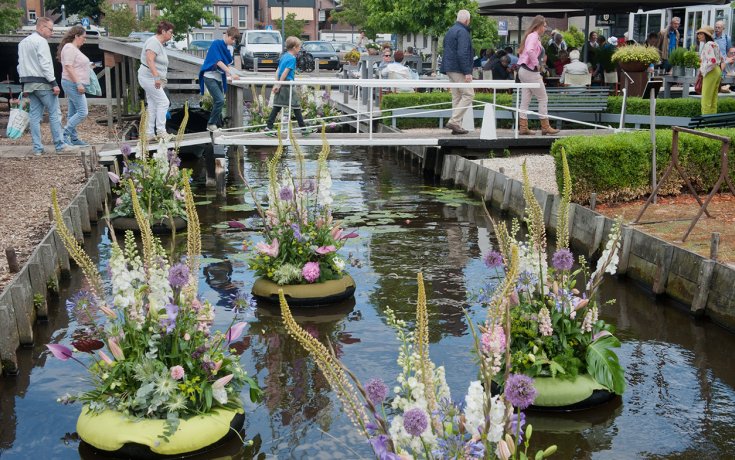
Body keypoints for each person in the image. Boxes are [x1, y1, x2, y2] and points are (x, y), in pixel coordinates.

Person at [18, 17, 75, 154]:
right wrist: (54, 83)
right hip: (43, 83)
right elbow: (45, 64)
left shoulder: (22, 43)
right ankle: (60, 145)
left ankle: (37, 148)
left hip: (28, 83)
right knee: (55, 113)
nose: (52, 33)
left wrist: (24, 82)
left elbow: (20, 65)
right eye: (50, 29)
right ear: (42, 27)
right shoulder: (41, 42)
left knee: (34, 116)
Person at [517, 15, 558, 136]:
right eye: (544, 26)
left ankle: (523, 127)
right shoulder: (534, 37)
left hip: (523, 70)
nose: (545, 28)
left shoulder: (532, 36)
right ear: (539, 26)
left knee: (525, 99)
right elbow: (530, 51)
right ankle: (545, 127)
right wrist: (537, 65)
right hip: (530, 71)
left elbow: (527, 51)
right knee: (543, 98)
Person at [265, 36, 311, 137]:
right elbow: (285, 73)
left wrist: (276, 83)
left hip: (281, 82)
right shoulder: (292, 58)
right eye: (299, 47)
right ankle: (303, 129)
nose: (299, 50)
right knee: (296, 106)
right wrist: (280, 84)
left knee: (277, 106)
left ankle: (268, 127)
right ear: (294, 48)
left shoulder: (283, 56)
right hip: (287, 84)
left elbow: (277, 71)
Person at [199, 26, 241, 132]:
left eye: (234, 40)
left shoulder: (226, 48)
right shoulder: (216, 44)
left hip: (218, 78)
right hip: (209, 76)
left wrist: (232, 74)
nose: (233, 42)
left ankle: (218, 125)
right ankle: (211, 123)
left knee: (218, 101)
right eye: (232, 39)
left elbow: (226, 64)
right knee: (220, 100)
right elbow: (218, 62)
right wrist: (230, 73)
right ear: (227, 35)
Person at [138, 20, 174, 139]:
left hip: (151, 78)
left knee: (153, 105)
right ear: (163, 32)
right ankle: (161, 131)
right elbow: (149, 60)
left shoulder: (159, 44)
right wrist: (156, 77)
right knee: (164, 102)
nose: (171, 35)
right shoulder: (153, 42)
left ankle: (149, 133)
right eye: (170, 32)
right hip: (149, 77)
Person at [440, 9, 474, 135]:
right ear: (467, 20)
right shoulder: (463, 32)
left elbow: (446, 48)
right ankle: (454, 121)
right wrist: (467, 71)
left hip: (449, 68)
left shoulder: (451, 30)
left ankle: (456, 125)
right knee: (469, 94)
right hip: (458, 69)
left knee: (457, 97)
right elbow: (462, 52)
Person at [58, 25, 91, 147]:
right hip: (72, 84)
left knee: (72, 113)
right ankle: (64, 134)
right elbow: (68, 66)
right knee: (83, 112)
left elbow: (75, 65)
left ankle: (74, 138)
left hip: (73, 83)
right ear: (76, 36)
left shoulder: (73, 49)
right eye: (83, 37)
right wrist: (78, 83)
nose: (85, 39)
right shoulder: (69, 47)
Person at [697, 26, 722, 115]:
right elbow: (720, 58)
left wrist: (703, 69)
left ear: (706, 35)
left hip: (711, 71)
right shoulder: (715, 44)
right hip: (717, 71)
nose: (698, 36)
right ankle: (712, 121)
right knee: (713, 98)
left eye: (701, 34)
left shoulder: (707, 45)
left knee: (706, 98)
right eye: (698, 34)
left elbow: (712, 60)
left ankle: (705, 121)